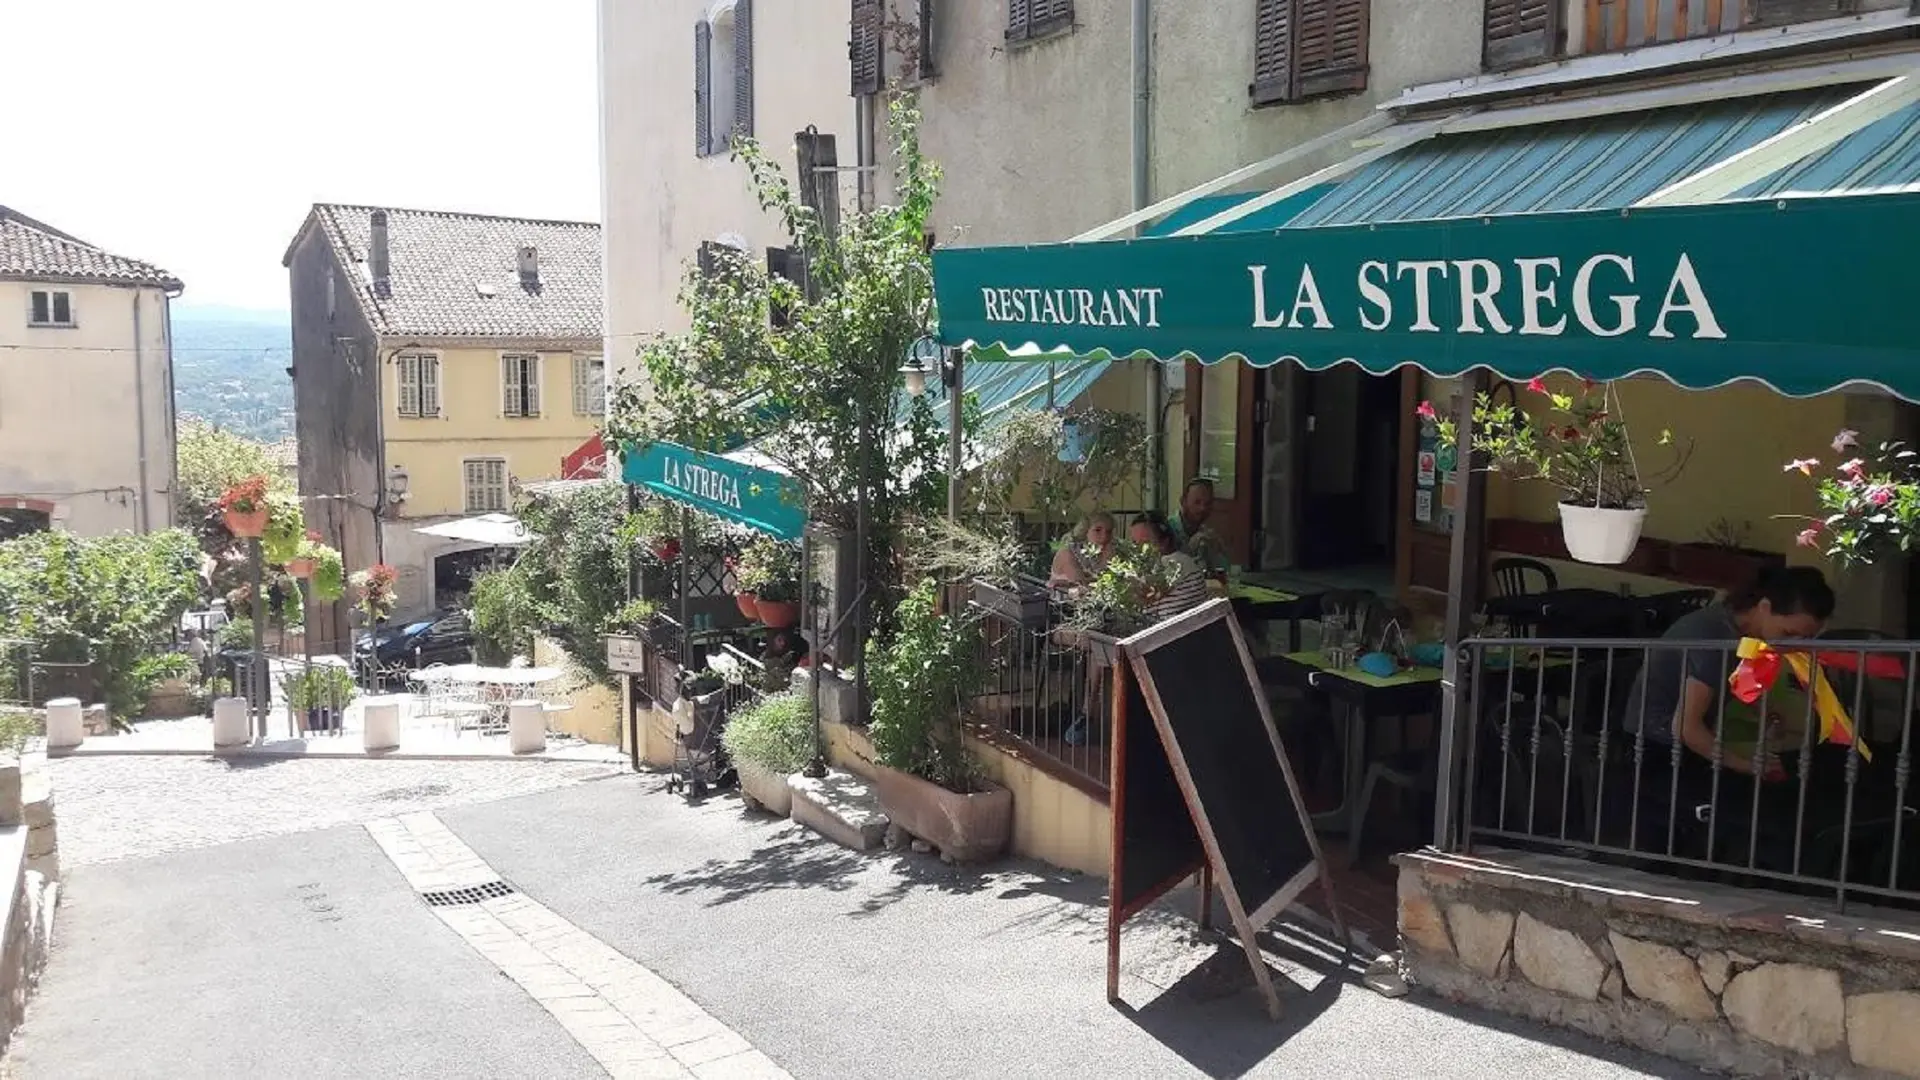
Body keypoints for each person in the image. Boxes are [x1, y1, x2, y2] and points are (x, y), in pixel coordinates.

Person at [1130, 514, 1209, 623]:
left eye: (1145, 543)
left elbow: (1142, 594)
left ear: (1164, 542)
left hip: (1178, 634)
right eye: (1134, 543)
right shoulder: (1159, 563)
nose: (1138, 550)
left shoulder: (1175, 562)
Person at [1166, 477, 1228, 577]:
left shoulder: (1205, 532)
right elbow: (1166, 572)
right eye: (1197, 502)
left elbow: (1224, 570)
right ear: (1183, 501)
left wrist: (1219, 550)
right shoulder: (1166, 530)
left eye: (1208, 503)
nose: (1203, 508)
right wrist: (1190, 548)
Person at [1048, 512, 1116, 590]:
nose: (1104, 536)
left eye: (1108, 531)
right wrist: (1105, 564)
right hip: (1063, 601)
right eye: (1097, 530)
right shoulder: (1067, 552)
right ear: (1085, 531)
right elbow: (1081, 585)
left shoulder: (1106, 552)